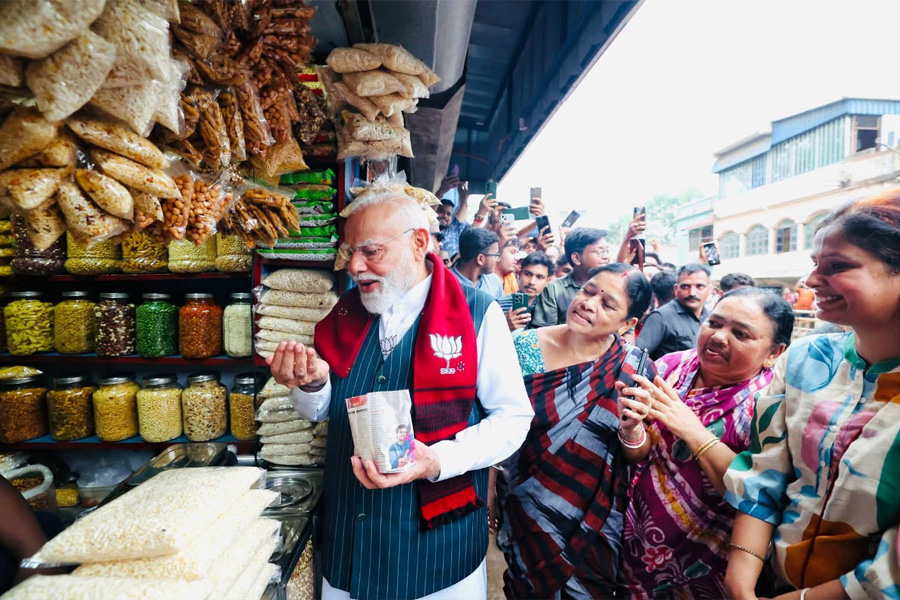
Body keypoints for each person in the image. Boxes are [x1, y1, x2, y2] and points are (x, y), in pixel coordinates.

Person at [269, 187, 533, 600]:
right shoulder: (344, 313)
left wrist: (436, 459)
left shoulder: (478, 313)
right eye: (350, 252)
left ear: (419, 243)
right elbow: (321, 411)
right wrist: (313, 382)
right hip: (350, 541)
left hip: (437, 550)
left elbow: (513, 419)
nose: (355, 266)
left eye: (371, 251)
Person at [723, 191, 900, 600]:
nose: (810, 282)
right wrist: (741, 584)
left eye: (837, 266)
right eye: (814, 265)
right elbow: (766, 472)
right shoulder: (805, 360)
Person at [621, 288, 793, 599]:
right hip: (629, 531)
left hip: (699, 557)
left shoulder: (769, 408)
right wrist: (632, 430)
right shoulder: (670, 367)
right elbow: (639, 454)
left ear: (774, 353)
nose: (718, 337)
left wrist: (693, 431)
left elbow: (759, 494)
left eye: (740, 333)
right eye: (714, 323)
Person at [497, 263, 656, 598]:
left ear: (628, 324)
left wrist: (631, 430)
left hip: (591, 520)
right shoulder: (523, 347)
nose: (589, 303)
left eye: (607, 304)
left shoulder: (635, 369)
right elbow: (494, 426)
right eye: (588, 291)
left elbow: (638, 454)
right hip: (525, 502)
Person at [531, 227, 610, 327]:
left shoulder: (613, 287)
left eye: (607, 251)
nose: (606, 257)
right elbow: (544, 332)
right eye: (600, 252)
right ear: (576, 258)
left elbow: (626, 331)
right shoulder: (554, 289)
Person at [637, 264, 712, 360]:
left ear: (709, 290)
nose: (692, 293)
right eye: (685, 286)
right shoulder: (661, 317)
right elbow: (639, 356)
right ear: (676, 289)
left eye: (699, 286)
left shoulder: (711, 317)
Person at [500, 251, 554, 331]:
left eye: (539, 277)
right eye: (527, 274)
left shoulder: (548, 306)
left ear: (547, 281)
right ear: (519, 274)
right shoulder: (500, 304)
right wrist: (505, 326)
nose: (531, 282)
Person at [451, 228, 504, 299]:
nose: (498, 260)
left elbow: (502, 309)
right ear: (480, 259)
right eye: (496, 256)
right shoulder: (445, 282)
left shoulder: (494, 281)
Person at [434, 177, 472, 257]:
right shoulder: (427, 226)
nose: (445, 216)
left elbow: (464, 206)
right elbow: (430, 212)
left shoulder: (453, 230)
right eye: (441, 211)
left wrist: (462, 193)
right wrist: (441, 191)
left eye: (449, 214)